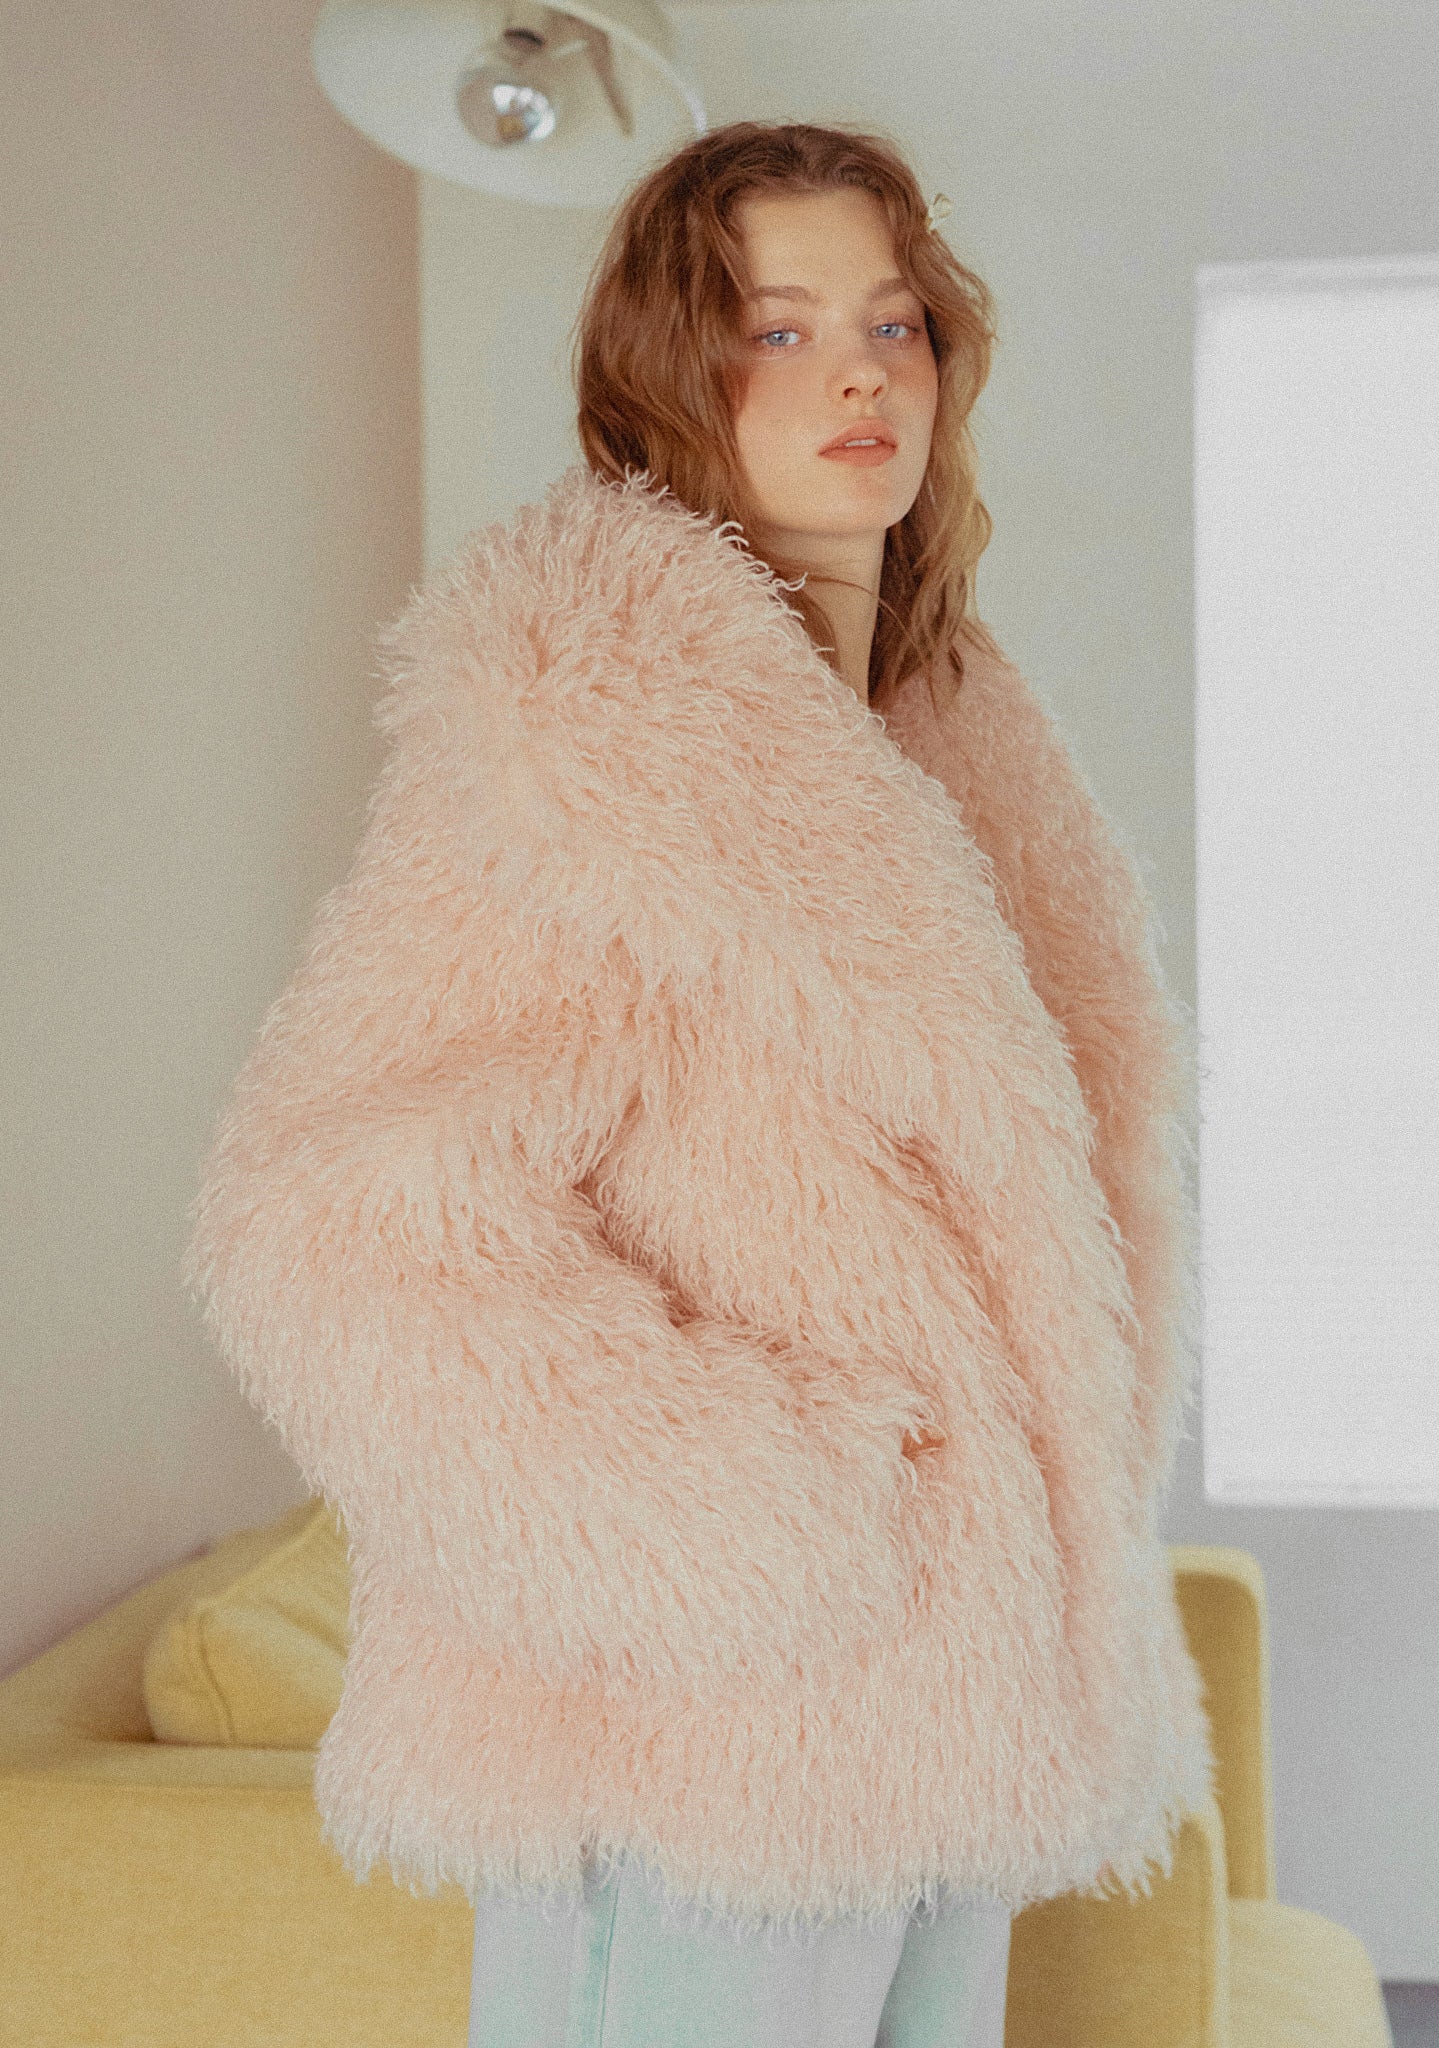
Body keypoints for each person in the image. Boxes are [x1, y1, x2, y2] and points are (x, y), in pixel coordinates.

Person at [184, 121, 1213, 2048]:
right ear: (672, 374)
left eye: (894, 324)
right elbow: (331, 1223)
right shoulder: (582, 744)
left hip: (943, 1708)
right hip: (699, 1723)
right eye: (778, 328)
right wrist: (750, 1518)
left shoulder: (935, 732)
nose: (859, 376)